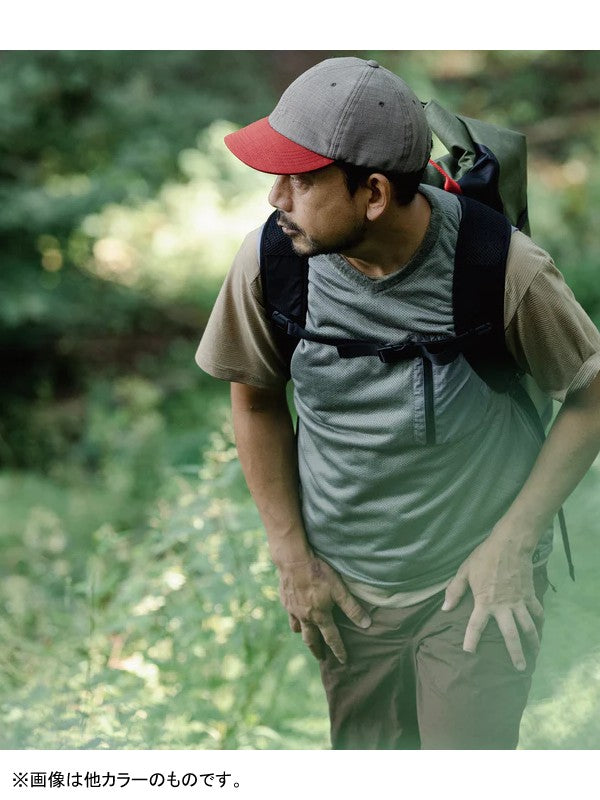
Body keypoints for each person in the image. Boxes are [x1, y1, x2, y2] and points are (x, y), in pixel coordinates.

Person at [196, 56, 600, 749]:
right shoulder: (273, 261)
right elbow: (257, 400)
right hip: (347, 595)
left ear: (374, 193)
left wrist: (514, 541)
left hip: (473, 584)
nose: (275, 199)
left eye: (300, 179)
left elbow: (591, 392)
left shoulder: (501, 266)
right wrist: (293, 558)